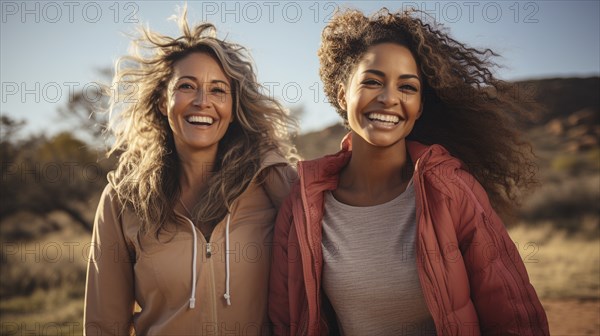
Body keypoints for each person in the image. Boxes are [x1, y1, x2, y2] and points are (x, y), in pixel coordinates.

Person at [269, 8, 549, 336]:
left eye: (408, 87)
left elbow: (513, 317)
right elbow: (286, 321)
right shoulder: (303, 203)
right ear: (343, 94)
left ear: (419, 107)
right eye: (372, 81)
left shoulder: (452, 191)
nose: (389, 99)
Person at [84, 9, 297, 335]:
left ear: (233, 107)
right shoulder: (122, 200)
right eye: (186, 86)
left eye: (217, 90)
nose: (202, 101)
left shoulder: (271, 182)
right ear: (161, 101)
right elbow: (103, 326)